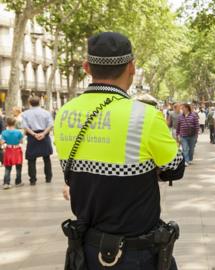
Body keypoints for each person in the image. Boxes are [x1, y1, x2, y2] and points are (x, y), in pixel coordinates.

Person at [54, 32, 184, 270]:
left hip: (86, 250)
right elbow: (175, 168)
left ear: (86, 67)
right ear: (132, 67)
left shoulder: (64, 113)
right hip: (135, 253)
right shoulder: (144, 115)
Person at [21, 96, 53, 185]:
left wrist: (34, 134)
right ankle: (48, 178)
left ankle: (32, 180)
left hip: (32, 137)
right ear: (39, 102)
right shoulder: (46, 112)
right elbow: (50, 125)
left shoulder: (25, 114)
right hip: (44, 136)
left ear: (29, 103)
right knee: (46, 158)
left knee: (31, 159)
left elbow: (25, 127)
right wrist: (43, 134)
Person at [1, 117, 24, 189]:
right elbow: (21, 141)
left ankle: (6, 183)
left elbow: (1, 142)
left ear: (7, 124)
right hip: (17, 150)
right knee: (18, 167)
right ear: (15, 123)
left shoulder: (4, 132)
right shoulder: (18, 132)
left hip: (8, 150)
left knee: (8, 168)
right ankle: (18, 181)